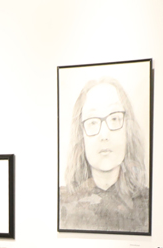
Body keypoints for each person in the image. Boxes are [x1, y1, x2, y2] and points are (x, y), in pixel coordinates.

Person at [58, 76, 149, 233]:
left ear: (128, 129)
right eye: (93, 122)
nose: (104, 134)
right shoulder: (64, 204)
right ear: (81, 135)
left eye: (114, 118)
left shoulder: (146, 203)